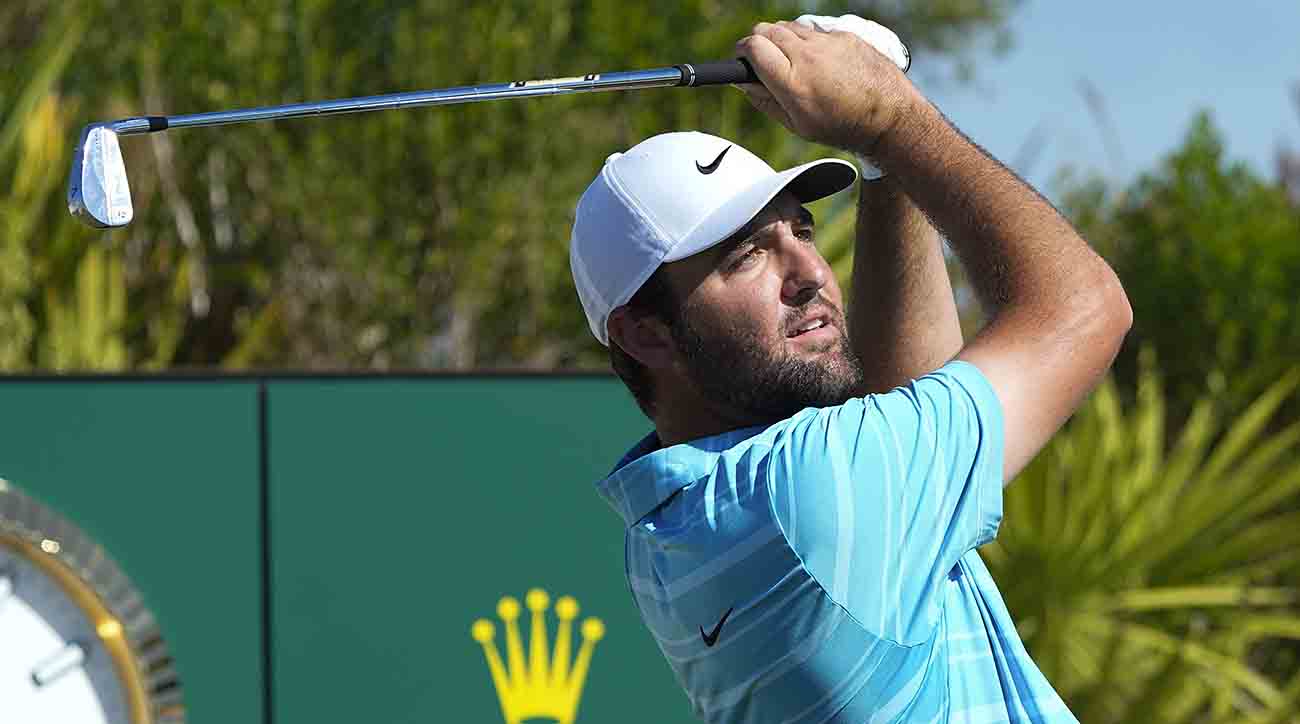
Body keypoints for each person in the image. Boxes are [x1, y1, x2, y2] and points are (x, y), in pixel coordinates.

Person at [569, 17, 1132, 724]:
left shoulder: (670, 530)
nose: (809, 272)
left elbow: (901, 403)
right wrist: (892, 118)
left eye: (800, 230)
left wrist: (882, 163)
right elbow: (1085, 309)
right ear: (646, 334)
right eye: (746, 255)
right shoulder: (801, 495)